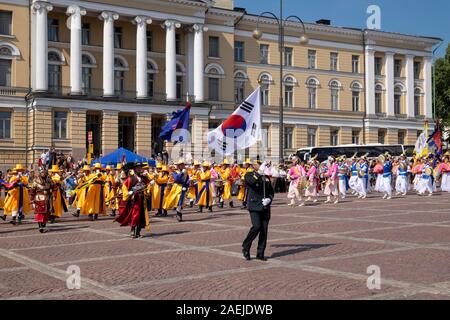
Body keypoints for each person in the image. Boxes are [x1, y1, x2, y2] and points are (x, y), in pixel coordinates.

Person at [242, 160, 274, 261]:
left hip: (265, 207)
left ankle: (260, 253)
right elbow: (251, 182)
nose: (259, 166)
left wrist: (269, 199)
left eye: (260, 164)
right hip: (254, 205)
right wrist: (259, 172)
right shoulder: (249, 175)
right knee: (256, 226)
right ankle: (246, 246)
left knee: (264, 230)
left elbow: (271, 192)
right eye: (258, 164)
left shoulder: (266, 177)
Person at [115, 162, 151, 238]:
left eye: (140, 168)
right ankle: (132, 230)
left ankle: (138, 232)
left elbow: (148, 186)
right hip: (135, 199)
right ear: (134, 169)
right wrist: (128, 193)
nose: (139, 169)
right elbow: (124, 186)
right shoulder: (131, 178)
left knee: (142, 216)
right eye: (137, 168)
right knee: (135, 215)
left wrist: (148, 189)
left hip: (142, 199)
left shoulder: (144, 178)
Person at [29, 167, 52, 233]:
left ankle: (43, 225)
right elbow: (32, 191)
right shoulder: (36, 181)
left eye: (44, 172)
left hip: (47, 198)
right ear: (40, 173)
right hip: (39, 198)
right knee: (39, 213)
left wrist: (54, 195)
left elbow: (54, 187)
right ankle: (40, 227)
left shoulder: (49, 180)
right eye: (42, 172)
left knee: (46, 213)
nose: (43, 174)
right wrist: (32, 199)